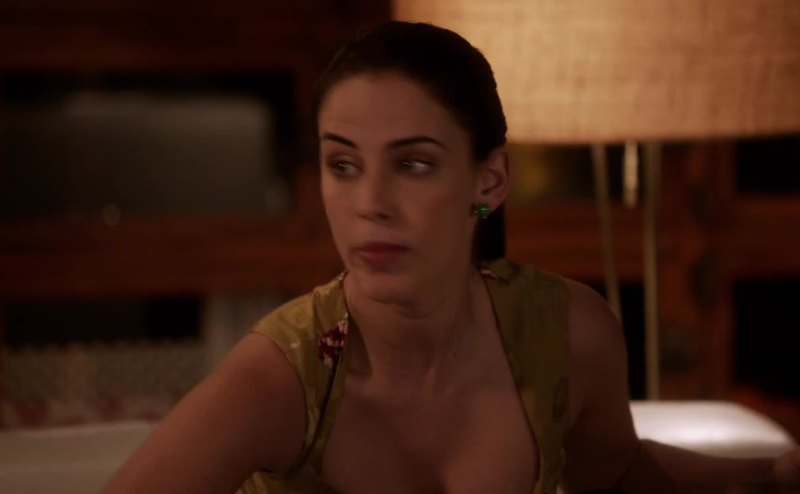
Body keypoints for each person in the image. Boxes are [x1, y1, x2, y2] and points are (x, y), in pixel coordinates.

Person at [104, 21, 800, 494]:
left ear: (489, 181)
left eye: (412, 164)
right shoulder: (281, 376)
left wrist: (770, 473)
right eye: (343, 165)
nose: (370, 202)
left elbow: (621, 477)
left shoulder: (566, 334)